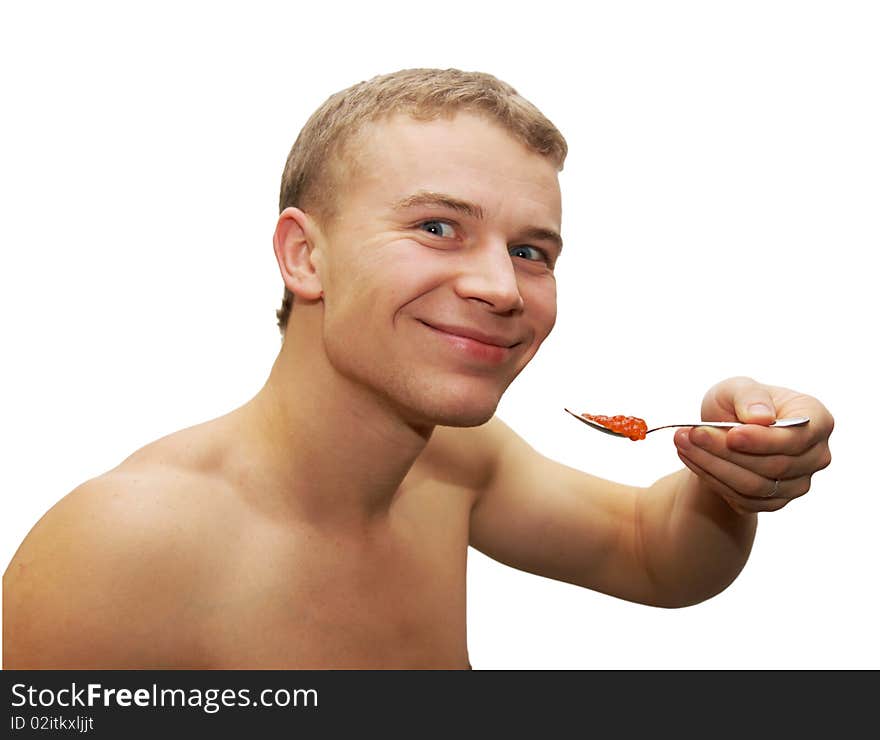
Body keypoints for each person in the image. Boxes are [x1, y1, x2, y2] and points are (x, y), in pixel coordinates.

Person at [2, 68, 834, 669]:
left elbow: (657, 556)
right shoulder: (122, 548)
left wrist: (727, 481)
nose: (501, 287)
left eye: (530, 250)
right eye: (438, 227)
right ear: (305, 256)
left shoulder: (456, 458)